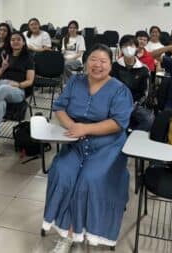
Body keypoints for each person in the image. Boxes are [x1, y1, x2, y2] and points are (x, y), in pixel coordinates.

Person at [42, 45, 133, 252]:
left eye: (103, 61)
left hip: (107, 145)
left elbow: (119, 123)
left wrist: (86, 128)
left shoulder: (119, 90)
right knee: (62, 172)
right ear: (86, 61)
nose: (97, 65)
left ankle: (81, 230)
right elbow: (60, 107)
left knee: (89, 179)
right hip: (76, 143)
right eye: (93, 59)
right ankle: (65, 231)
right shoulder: (75, 82)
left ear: (111, 64)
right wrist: (73, 127)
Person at [110, 35, 152, 131]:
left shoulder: (143, 69)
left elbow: (145, 92)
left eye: (131, 45)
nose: (128, 48)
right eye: (125, 45)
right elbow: (109, 87)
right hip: (115, 103)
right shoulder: (114, 66)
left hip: (134, 104)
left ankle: (133, 136)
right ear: (121, 48)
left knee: (149, 119)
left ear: (137, 48)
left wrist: (134, 104)